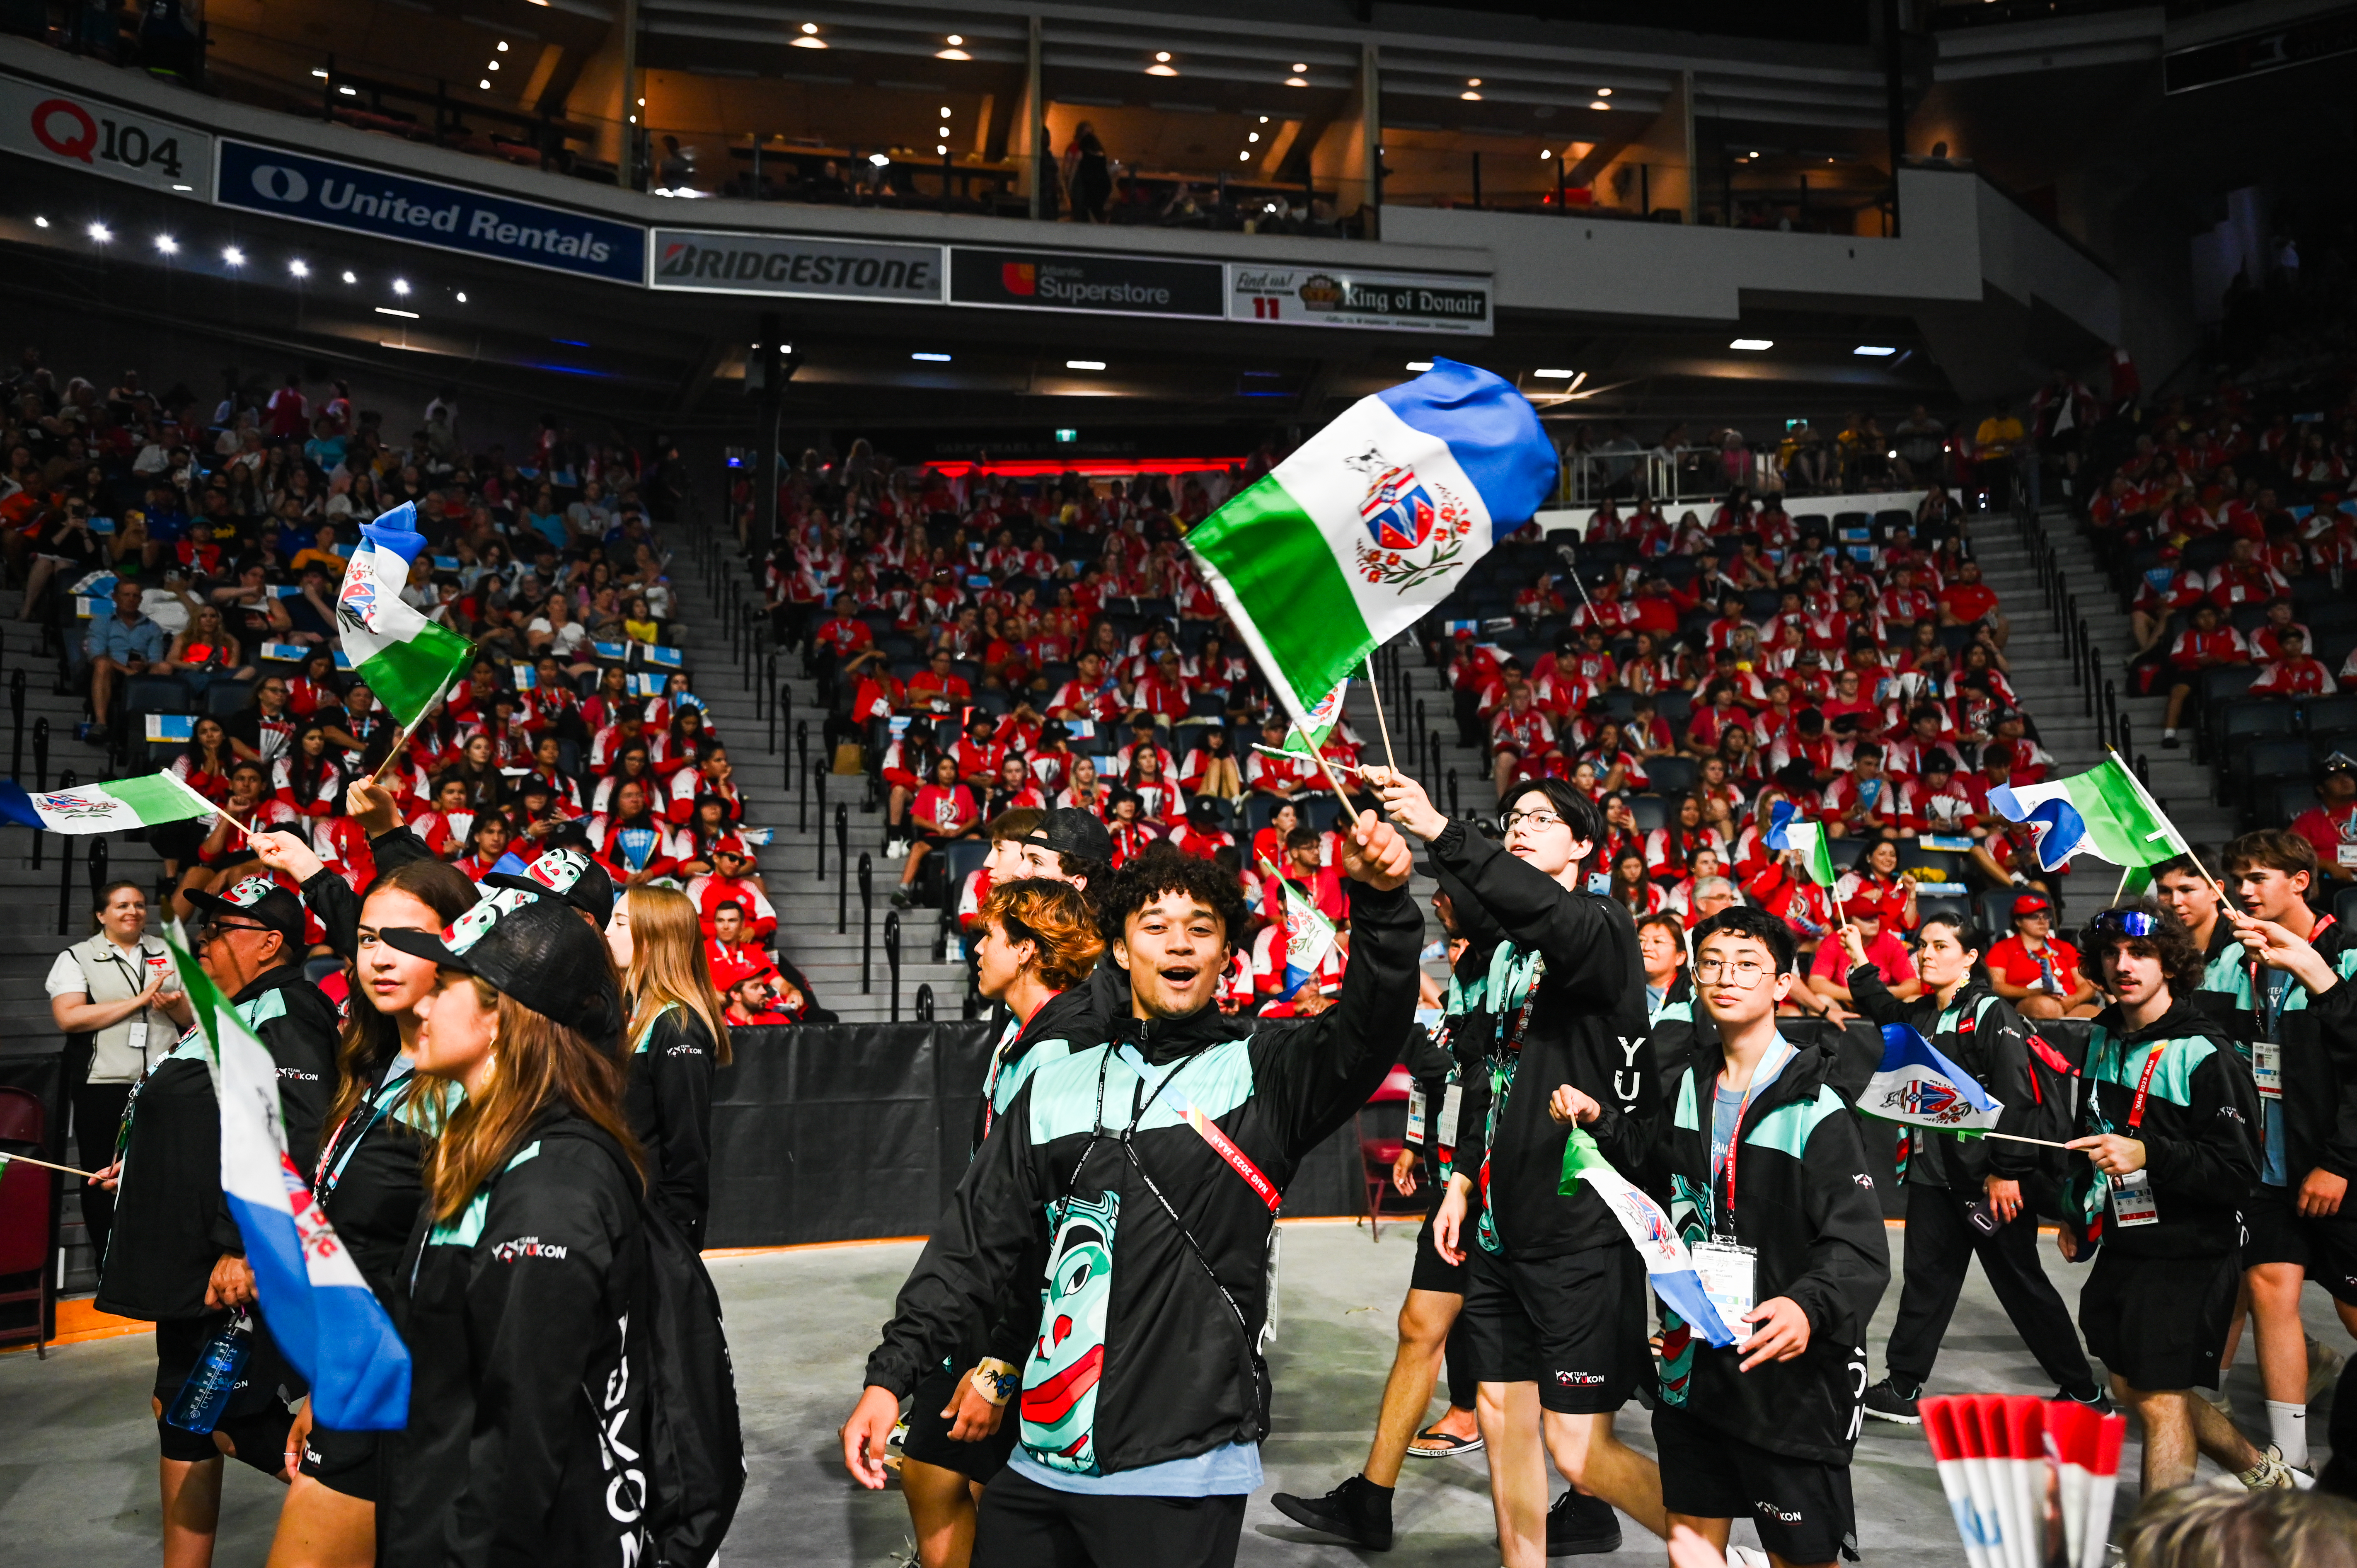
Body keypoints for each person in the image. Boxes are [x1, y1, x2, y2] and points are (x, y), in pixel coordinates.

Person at [842, 821, 1418, 1568]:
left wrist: (1381, 902)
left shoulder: (1263, 1074)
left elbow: (1370, 1026)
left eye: (1199, 928)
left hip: (1180, 1465)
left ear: (1224, 955)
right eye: (1155, 926)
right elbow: (973, 1245)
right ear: (1120, 949)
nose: (1178, 942)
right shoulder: (1055, 1083)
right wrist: (892, 1374)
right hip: (1041, 1459)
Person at [1369, 769, 1660, 1565]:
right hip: (1496, 1220)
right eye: (1512, 817)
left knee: (1576, 1452)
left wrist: (1440, 826)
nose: (1521, 824)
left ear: (1583, 844)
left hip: (1574, 1226)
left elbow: (1549, 914)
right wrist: (1463, 1177)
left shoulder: (1600, 925)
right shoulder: (1501, 956)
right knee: (1501, 1419)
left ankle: (1712, 1546)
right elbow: (1488, 1078)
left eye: (1541, 817)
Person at [377, 891, 651, 1566]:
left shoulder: (554, 1182)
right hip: (432, 1514)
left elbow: (523, 1431)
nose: (420, 1005)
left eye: (444, 988)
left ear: (502, 1017)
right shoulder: (488, 1149)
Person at [91, 870, 341, 1568]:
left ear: (269, 943)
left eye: (220, 928)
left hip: (226, 1266)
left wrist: (244, 1245)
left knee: (232, 1417)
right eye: (202, 927)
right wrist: (142, 1160)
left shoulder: (286, 1008)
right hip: (189, 1263)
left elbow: (298, 1130)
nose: (202, 939)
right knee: (182, 1416)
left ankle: (378, 1520)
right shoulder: (235, 1009)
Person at [244, 828, 479, 1568]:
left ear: (459, 946)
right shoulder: (378, 1061)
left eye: (404, 939)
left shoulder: (468, 1084)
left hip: (412, 1389)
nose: (378, 954)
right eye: (369, 938)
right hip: (355, 1374)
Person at [1649, 907, 1890, 1568]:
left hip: (1788, 1378)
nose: (1728, 977)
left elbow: (1862, 1249)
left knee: (1801, 1558)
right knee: (1690, 1545)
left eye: (1749, 964)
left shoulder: (1818, 1107)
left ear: (1783, 985)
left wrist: (1804, 1306)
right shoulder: (1687, 1089)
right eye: (1714, 963)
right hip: (1696, 1366)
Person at [1271, 884, 1493, 1553]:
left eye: (1451, 905)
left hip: (1504, 1185)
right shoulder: (1463, 987)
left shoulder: (1518, 976)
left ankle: (1587, 1496)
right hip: (1461, 1180)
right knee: (1420, 1324)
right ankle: (1372, 1499)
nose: (1441, 909)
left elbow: (1473, 1078)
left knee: (1525, 1359)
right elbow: (1449, 1081)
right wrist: (1419, 1145)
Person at [898, 878, 1105, 1568]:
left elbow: (1045, 1222)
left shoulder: (1062, 1048)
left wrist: (1002, 1359)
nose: (976, 947)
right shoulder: (1026, 1032)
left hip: (1016, 1309)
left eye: (989, 935)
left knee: (962, 1476)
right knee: (940, 1468)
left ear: (1026, 949)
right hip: (991, 1291)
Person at [2056, 903, 2286, 1494]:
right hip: (2129, 1237)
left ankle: (2160, 1546)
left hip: (2193, 1247)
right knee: (2132, 1386)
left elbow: (2238, 1174)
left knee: (2158, 1398)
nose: (2122, 965)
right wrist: (2076, 1208)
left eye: (2141, 954)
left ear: (2173, 964)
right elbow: (2096, 1125)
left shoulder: (2208, 1055)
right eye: (2111, 954)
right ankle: (2263, 1473)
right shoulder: (2104, 1035)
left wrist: (2149, 1152)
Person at [1845, 914, 2103, 1423]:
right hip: (1933, 1177)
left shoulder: (1990, 1013)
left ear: (1969, 959)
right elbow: (1883, 1010)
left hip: (1988, 1183)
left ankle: (2084, 1392)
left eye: (1942, 946)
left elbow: (2018, 1095)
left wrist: (2007, 1171)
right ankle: (1902, 1386)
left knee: (2022, 1286)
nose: (1926, 954)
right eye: (1922, 945)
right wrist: (1858, 954)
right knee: (1925, 1281)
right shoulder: (1922, 1014)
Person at [2200, 830, 2357, 1477]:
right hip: (2265, 1168)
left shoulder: (2344, 956)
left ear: (2301, 882)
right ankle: (2290, 1457)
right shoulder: (2232, 958)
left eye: (2259, 877)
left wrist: (2341, 1163)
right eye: (2238, 878)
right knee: (2269, 1288)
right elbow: (2209, 1041)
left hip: (2335, 1166)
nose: (2243, 890)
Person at [46, 880, 191, 1266]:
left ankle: (158, 1262)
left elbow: (191, 1017)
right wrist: (140, 1001)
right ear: (101, 914)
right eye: (122, 905)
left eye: (140, 905)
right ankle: (109, 1266)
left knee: (164, 1169)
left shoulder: (167, 952)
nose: (134, 912)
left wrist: (172, 1005)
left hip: (162, 1080)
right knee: (101, 1176)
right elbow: (69, 1017)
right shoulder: (78, 957)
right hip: (103, 1083)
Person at [606, 884, 728, 1249]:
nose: (608, 931)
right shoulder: (635, 1013)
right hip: (626, 1211)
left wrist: (673, 1234)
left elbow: (687, 1145)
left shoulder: (677, 1026)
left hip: (655, 1226)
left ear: (653, 936)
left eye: (620, 922)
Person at [1987, 892, 2099, 1019]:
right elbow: (1996, 986)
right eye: (2035, 917)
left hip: (2069, 1004)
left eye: (2046, 917)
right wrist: (2033, 993)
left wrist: (2074, 1000)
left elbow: (2086, 985)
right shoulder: (2003, 948)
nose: (2042, 922)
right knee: (2046, 1007)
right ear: (2018, 921)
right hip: (2027, 1003)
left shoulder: (2064, 948)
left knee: (2100, 1016)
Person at [84, 578, 169, 742]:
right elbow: (96, 655)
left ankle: (154, 725)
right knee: (102, 664)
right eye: (126, 595)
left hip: (141, 672)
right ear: (115, 598)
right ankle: (101, 723)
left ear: (141, 600)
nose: (131, 599)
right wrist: (126, 670)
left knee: (164, 668)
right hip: (112, 671)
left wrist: (144, 665)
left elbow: (156, 659)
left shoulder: (152, 627)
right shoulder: (102, 622)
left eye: (135, 596)